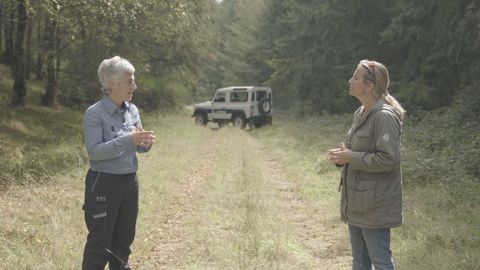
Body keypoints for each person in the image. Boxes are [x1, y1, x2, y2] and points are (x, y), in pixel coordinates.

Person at [327, 59, 405, 270]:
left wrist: (352, 157)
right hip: (357, 202)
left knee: (380, 262)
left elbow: (389, 160)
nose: (350, 81)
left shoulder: (385, 116)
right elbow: (359, 153)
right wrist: (343, 157)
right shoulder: (361, 113)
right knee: (359, 261)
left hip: (375, 206)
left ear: (369, 85)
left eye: (355, 77)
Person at [82, 56, 156, 270]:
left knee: (123, 244)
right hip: (103, 184)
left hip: (129, 183)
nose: (135, 86)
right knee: (100, 245)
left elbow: (136, 144)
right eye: (129, 81)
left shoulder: (132, 110)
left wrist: (144, 143)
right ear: (111, 83)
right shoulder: (94, 114)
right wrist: (129, 140)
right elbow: (95, 152)